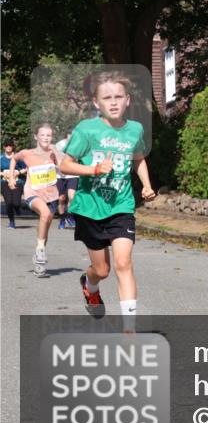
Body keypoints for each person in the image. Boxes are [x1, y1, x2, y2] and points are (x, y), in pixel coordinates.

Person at [59, 72, 155, 322]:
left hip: (121, 206)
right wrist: (94, 169)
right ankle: (90, 286)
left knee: (124, 263)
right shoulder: (87, 130)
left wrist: (146, 184)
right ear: (96, 103)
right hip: (90, 207)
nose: (113, 102)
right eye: (107, 97)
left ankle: (129, 331)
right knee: (102, 270)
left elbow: (138, 158)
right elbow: (66, 165)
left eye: (118, 97)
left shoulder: (135, 129)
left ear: (128, 100)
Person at [8, 124, 62, 276]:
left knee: (45, 225)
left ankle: (39, 261)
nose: (46, 138)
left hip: (51, 195)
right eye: (43, 135)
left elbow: (64, 167)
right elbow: (13, 159)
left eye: (49, 135)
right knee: (45, 214)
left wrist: (56, 150)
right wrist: (12, 177)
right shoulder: (27, 153)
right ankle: (40, 250)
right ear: (36, 137)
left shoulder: (53, 153)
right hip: (32, 192)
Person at [54, 131, 78, 229]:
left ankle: (70, 217)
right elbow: (55, 159)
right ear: (66, 136)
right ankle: (62, 219)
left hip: (73, 175)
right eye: (70, 136)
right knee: (61, 199)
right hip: (60, 175)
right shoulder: (59, 145)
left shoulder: (79, 144)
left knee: (72, 197)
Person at [1, 140, 27, 228]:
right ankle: (11, 222)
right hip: (5, 182)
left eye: (10, 145)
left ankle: (17, 207)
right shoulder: (1, 158)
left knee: (16, 202)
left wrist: (18, 173)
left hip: (17, 182)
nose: (8, 147)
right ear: (4, 147)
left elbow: (26, 168)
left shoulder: (18, 157)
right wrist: (2, 174)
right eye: (6, 145)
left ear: (12, 147)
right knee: (8, 202)